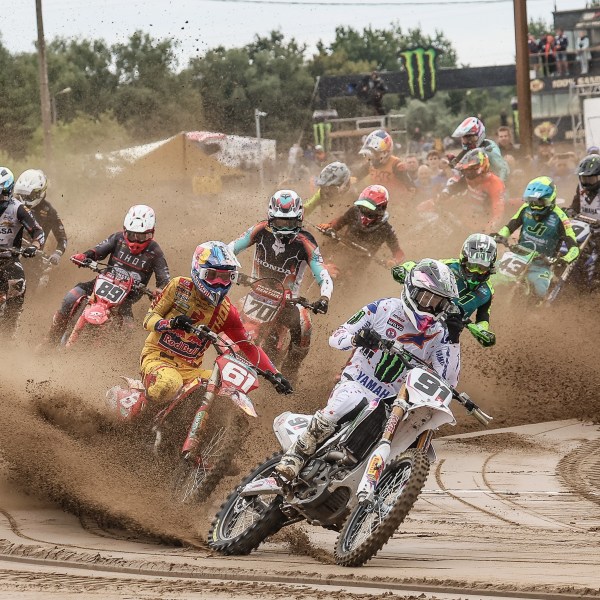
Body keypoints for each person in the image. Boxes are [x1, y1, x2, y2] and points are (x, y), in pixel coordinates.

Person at [274, 258, 461, 481]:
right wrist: (357, 338)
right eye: (426, 298)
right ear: (412, 290)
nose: (430, 307)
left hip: (396, 402)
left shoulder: (440, 334)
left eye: (438, 302)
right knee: (350, 400)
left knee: (410, 433)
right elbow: (336, 338)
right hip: (357, 383)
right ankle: (296, 454)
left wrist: (454, 340)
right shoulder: (384, 308)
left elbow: (447, 383)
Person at [140, 241, 292, 406]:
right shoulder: (178, 286)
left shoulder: (226, 311)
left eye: (226, 277)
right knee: (169, 383)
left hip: (190, 370)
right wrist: (171, 323)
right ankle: (140, 407)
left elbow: (248, 347)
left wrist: (275, 374)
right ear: (199, 270)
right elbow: (148, 319)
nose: (219, 282)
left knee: (229, 390)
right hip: (157, 358)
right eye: (212, 275)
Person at [228, 190, 333, 380]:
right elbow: (230, 248)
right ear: (271, 218)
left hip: (287, 302)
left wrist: (324, 298)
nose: (284, 228)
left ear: (299, 219)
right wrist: (228, 269)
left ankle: (291, 370)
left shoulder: (306, 242)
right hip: (255, 294)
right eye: (280, 222)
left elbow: (322, 274)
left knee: (304, 324)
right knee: (226, 315)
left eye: (289, 222)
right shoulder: (260, 229)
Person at [46, 205, 170, 345]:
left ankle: (110, 354)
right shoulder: (117, 238)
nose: (136, 240)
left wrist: (160, 290)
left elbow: (165, 280)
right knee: (71, 297)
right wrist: (84, 256)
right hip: (100, 284)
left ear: (151, 233)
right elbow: (98, 251)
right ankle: (51, 339)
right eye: (131, 235)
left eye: (142, 236)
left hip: (127, 298)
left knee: (129, 330)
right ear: (125, 230)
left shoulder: (155, 251)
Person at [391, 234, 497, 347]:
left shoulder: (488, 292)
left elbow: (483, 317)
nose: (475, 272)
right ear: (464, 260)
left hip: (444, 335)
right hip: (418, 316)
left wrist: (482, 331)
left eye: (482, 268)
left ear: (490, 268)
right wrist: (404, 268)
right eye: (472, 265)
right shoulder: (448, 265)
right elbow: (420, 265)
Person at [493, 176, 579, 298]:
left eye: (539, 201)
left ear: (551, 199)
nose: (535, 206)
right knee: (493, 275)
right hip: (518, 255)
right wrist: (500, 236)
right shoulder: (525, 208)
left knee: (540, 292)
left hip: (542, 264)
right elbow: (510, 226)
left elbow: (574, 248)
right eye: (531, 201)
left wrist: (564, 259)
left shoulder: (561, 217)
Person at [0, 167, 45, 337]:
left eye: (2, 194)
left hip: (8, 260)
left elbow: (38, 232)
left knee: (18, 284)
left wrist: (34, 246)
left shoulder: (18, 209)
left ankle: (9, 330)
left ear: (9, 191)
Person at [317, 184, 406, 268]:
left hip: (359, 263)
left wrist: (394, 261)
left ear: (380, 208)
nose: (364, 211)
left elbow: (399, 253)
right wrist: (328, 225)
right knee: (320, 258)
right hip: (341, 250)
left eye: (369, 209)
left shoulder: (386, 229)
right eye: (362, 207)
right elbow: (340, 222)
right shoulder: (354, 211)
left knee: (348, 274)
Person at [13, 169, 67, 289]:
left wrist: (57, 253)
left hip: (33, 257)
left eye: (30, 195)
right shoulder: (12, 202)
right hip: (10, 249)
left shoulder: (50, 212)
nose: (25, 199)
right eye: (23, 195)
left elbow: (62, 238)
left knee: (28, 288)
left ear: (40, 192)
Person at [441, 149, 506, 232]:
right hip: (466, 222)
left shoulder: (495, 184)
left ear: (481, 167)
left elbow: (498, 215)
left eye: (471, 170)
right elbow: (452, 189)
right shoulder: (467, 178)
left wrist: (487, 230)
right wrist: (440, 198)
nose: (468, 173)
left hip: (484, 225)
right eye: (466, 170)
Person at [354, 129, 415, 202]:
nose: (372, 158)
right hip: (379, 201)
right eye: (371, 154)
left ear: (385, 153)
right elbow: (355, 177)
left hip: (397, 202)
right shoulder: (370, 164)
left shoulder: (396, 165)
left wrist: (408, 203)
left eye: (375, 154)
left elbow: (411, 187)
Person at [568, 154, 600, 287]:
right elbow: (576, 204)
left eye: (591, 179)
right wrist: (571, 210)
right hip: (584, 227)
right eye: (584, 178)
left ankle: (595, 278)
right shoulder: (581, 188)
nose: (586, 182)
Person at [449, 117, 510, 182]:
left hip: (491, 182)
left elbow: (503, 169)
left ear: (480, 134)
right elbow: (455, 168)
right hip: (474, 184)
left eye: (471, 137)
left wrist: (500, 183)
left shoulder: (488, 147)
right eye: (465, 138)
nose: (469, 141)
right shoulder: (466, 151)